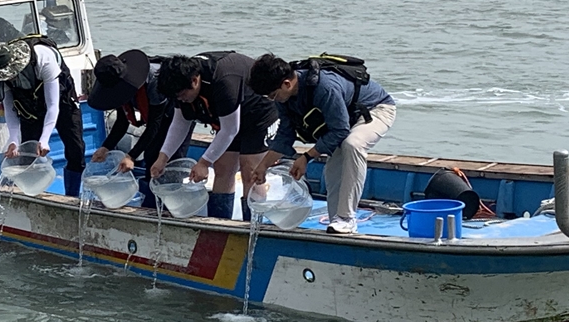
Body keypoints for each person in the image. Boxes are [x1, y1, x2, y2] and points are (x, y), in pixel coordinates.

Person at [247, 53, 396, 234]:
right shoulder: (284, 98)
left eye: (273, 95)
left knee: (352, 145)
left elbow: (340, 130)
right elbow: (284, 136)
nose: (272, 100)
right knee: (333, 170)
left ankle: (347, 218)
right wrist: (262, 166)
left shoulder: (324, 88)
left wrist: (306, 157)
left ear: (286, 84)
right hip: (346, 119)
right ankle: (336, 222)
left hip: (375, 109)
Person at [150, 52, 278, 220]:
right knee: (223, 167)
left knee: (250, 171)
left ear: (195, 81)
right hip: (228, 114)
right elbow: (180, 123)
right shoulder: (180, 81)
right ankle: (220, 221)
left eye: (182, 95)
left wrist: (203, 163)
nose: (180, 99)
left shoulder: (223, 80)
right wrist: (162, 158)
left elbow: (230, 130)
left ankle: (253, 226)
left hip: (258, 112)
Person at [0, 37, 86, 198]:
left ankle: (72, 196)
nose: (8, 78)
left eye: (10, 74)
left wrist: (44, 139)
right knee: (26, 155)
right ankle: (30, 194)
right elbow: (10, 108)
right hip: (30, 107)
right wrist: (13, 139)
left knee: (76, 149)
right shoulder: (2, 78)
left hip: (62, 101)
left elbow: (53, 106)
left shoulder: (43, 59)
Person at [87, 49, 190, 207]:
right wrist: (105, 147)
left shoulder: (154, 82)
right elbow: (123, 121)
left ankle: (171, 209)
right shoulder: (119, 89)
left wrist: (131, 157)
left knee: (168, 162)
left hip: (176, 115)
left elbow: (155, 125)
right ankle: (151, 207)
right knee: (150, 158)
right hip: (157, 120)